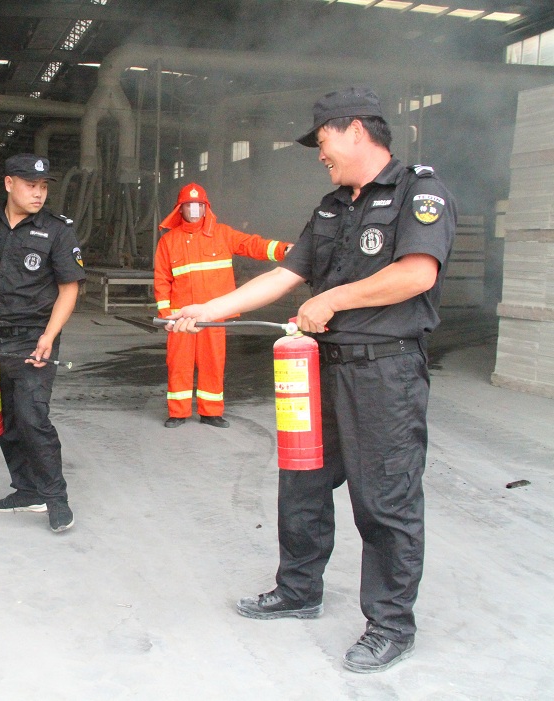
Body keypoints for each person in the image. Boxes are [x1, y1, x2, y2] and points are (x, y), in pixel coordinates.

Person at [166, 87, 455, 673]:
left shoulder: (418, 193)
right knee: (301, 483)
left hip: (385, 373)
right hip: (321, 368)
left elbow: (417, 273)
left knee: (385, 500)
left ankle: (391, 624)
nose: (319, 152)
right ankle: (299, 590)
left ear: (355, 130)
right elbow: (286, 273)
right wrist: (208, 311)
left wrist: (333, 299)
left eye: (322, 139)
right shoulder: (331, 207)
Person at [0, 153, 86, 534]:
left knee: (32, 417)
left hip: (36, 338)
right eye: (30, 185)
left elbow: (69, 288)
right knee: (6, 418)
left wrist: (49, 336)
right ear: (9, 184)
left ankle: (56, 499)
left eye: (43, 186)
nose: (39, 193)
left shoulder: (57, 230)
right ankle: (27, 490)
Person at [154, 183, 290, 428]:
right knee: (178, 365)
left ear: (206, 208)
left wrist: (284, 250)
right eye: (189, 205)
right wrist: (166, 315)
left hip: (214, 316)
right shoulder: (168, 241)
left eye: (199, 205)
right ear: (180, 209)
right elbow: (162, 279)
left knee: (213, 363)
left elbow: (252, 244)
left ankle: (211, 412)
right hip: (180, 318)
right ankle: (178, 412)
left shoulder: (222, 234)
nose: (194, 210)